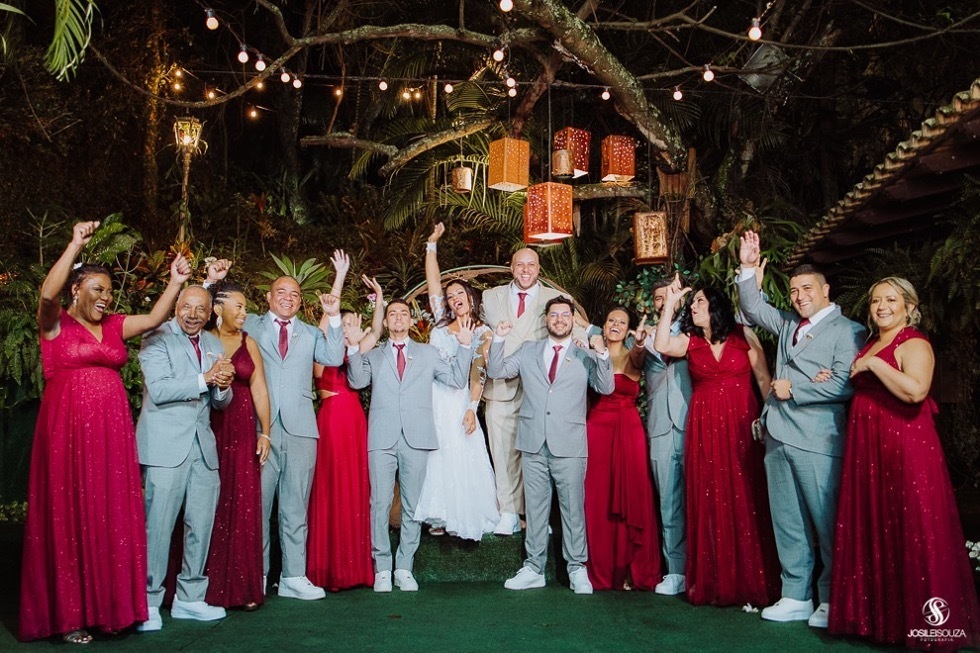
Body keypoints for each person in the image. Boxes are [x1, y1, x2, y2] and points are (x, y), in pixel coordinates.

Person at [19, 221, 191, 644]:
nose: (105, 297)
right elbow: (46, 295)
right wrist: (75, 244)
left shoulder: (114, 325)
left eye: (110, 291)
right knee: (70, 513)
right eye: (97, 289)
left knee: (110, 513)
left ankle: (110, 609)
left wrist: (175, 281)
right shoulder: (55, 323)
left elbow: (155, 317)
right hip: (67, 435)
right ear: (76, 289)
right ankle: (70, 615)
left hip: (111, 435)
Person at [829, 277, 980, 649]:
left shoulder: (914, 342)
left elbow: (916, 391)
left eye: (891, 299)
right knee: (877, 524)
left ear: (909, 306)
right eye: (875, 300)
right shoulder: (872, 342)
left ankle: (929, 625)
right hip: (869, 449)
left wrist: (871, 364)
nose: (882, 306)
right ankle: (883, 622)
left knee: (913, 526)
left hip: (904, 447)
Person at [737, 231, 866, 627]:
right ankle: (795, 595)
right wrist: (746, 266)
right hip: (778, 435)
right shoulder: (788, 322)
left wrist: (797, 389)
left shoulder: (849, 330)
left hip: (818, 438)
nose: (798, 296)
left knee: (826, 522)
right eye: (794, 290)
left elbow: (845, 384)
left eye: (807, 288)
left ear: (826, 290)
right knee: (787, 519)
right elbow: (753, 307)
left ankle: (832, 598)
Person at [205, 258, 346, 600]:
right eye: (281, 292)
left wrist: (334, 316)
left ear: (301, 302)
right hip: (259, 428)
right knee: (257, 506)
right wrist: (212, 283)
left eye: (294, 294)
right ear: (268, 297)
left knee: (295, 506)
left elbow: (333, 357)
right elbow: (212, 318)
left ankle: (293, 576)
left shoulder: (310, 333)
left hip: (300, 430)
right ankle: (258, 574)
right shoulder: (250, 324)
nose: (288, 298)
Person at [654, 278, 779, 607]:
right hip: (705, 428)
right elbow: (662, 343)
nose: (693, 307)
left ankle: (752, 579)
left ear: (716, 306)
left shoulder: (744, 335)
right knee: (710, 497)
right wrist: (670, 304)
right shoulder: (690, 341)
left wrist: (769, 420)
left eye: (699, 301)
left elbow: (763, 378)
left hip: (742, 425)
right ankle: (713, 581)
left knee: (747, 494)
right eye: (692, 302)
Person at [488, 296, 615, 595]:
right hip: (533, 443)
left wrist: (602, 354)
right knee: (535, 510)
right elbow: (497, 371)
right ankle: (534, 568)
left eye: (565, 315)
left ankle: (576, 568)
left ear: (572, 320)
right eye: (554, 314)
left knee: (572, 510)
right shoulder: (528, 349)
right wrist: (498, 339)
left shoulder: (584, 353)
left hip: (569, 446)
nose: (559, 319)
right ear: (546, 319)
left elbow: (605, 387)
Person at [346, 299, 474, 592]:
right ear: (386, 321)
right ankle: (382, 568)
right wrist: (353, 348)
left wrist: (465, 346)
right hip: (381, 438)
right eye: (392, 313)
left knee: (413, 505)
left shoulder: (428, 353)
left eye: (403, 313)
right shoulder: (375, 355)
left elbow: (456, 380)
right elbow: (357, 381)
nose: (398, 317)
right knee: (379, 503)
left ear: (411, 320)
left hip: (417, 438)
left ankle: (404, 567)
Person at [136, 285, 235, 632]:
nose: (193, 314)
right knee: (158, 526)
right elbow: (160, 389)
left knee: (201, 524)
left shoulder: (213, 344)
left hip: (202, 447)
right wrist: (206, 377)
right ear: (176, 306)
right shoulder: (156, 336)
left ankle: (190, 598)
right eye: (187, 307)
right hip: (165, 446)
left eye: (200, 309)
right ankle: (148, 601)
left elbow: (220, 402)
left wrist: (223, 385)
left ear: (209, 314)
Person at [414, 223, 499, 540]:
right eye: (449, 296)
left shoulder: (482, 331)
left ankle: (463, 513)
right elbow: (432, 282)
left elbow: (479, 372)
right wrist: (431, 245)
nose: (453, 298)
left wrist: (471, 408)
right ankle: (438, 512)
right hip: (433, 396)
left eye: (459, 293)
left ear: (469, 297)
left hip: (459, 397)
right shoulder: (441, 321)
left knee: (460, 451)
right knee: (435, 453)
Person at [306, 256, 382, 592]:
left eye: (352, 322)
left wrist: (379, 299)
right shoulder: (322, 350)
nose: (347, 326)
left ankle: (353, 569)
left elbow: (376, 331)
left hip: (353, 419)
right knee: (329, 485)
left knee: (353, 486)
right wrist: (339, 277)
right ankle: (325, 568)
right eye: (343, 322)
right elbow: (329, 316)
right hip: (330, 418)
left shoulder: (357, 349)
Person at [481, 248, 569, 535]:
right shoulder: (490, 297)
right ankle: (508, 511)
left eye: (531, 264)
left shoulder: (556, 299)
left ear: (539, 268)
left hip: (540, 389)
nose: (526, 270)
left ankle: (535, 515)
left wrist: (590, 339)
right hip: (500, 385)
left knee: (536, 454)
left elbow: (573, 329)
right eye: (520, 264)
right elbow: (481, 334)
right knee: (502, 450)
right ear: (511, 267)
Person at [202, 281, 272, 611]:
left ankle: (242, 588)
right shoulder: (202, 339)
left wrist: (265, 432)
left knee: (243, 502)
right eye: (239, 307)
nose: (245, 313)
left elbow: (260, 389)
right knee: (209, 503)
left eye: (245, 307)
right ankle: (204, 588)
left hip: (243, 430)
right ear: (218, 309)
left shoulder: (249, 342)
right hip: (209, 427)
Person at [583, 306, 661, 591]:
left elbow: (639, 355)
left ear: (628, 329)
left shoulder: (633, 355)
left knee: (634, 494)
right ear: (603, 325)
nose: (615, 324)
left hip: (628, 430)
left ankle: (632, 569)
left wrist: (639, 343)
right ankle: (602, 570)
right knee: (597, 498)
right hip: (596, 430)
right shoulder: (590, 355)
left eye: (622, 322)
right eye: (611, 320)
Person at [641, 279, 692, 596]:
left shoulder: (697, 330)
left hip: (693, 423)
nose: (664, 301)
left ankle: (705, 568)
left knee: (700, 498)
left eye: (669, 296)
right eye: (659, 298)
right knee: (669, 502)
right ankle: (675, 570)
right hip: (660, 426)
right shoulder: (644, 336)